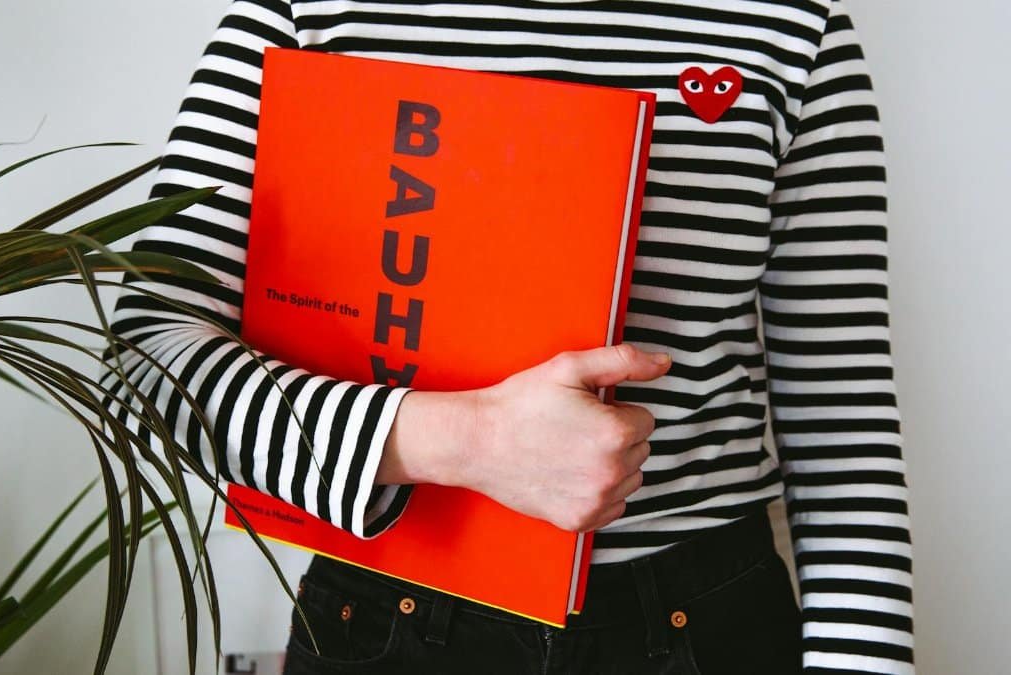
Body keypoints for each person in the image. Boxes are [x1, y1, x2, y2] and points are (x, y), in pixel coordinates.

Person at [102, 0, 914, 672]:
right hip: (388, 610)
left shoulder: (794, 33)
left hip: (703, 620)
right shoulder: (302, 14)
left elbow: (845, 429)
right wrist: (466, 441)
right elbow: (148, 362)